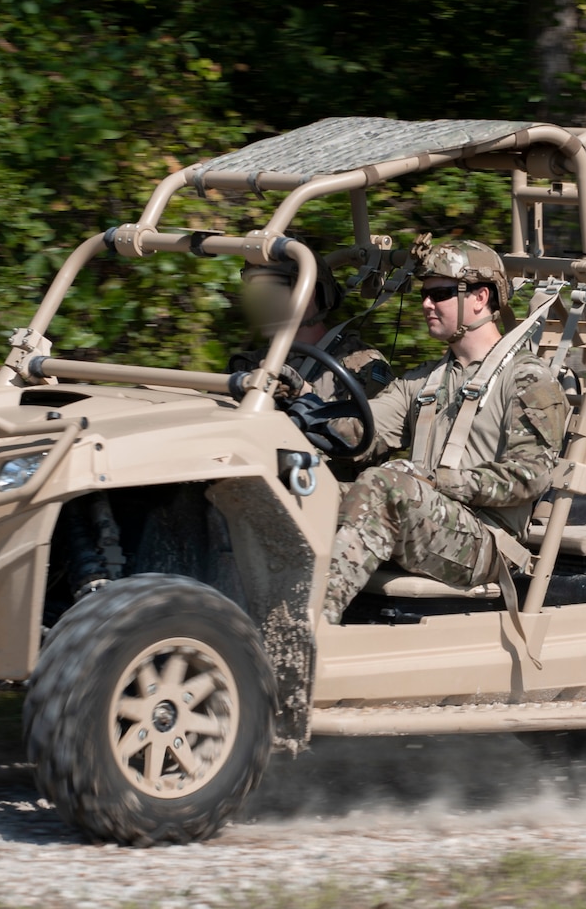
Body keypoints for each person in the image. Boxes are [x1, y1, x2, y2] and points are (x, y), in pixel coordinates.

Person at [322, 239, 568, 625]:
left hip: (487, 539)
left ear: (479, 298)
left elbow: (531, 476)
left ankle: (312, 625)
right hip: (426, 516)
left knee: (386, 486)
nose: (426, 305)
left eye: (439, 294)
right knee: (307, 487)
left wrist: (439, 482)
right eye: (424, 294)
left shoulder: (527, 378)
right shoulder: (424, 380)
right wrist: (300, 411)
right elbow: (358, 435)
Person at [228, 255, 392, 405]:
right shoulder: (245, 365)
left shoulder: (363, 365)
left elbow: (365, 431)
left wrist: (304, 394)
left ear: (307, 295)